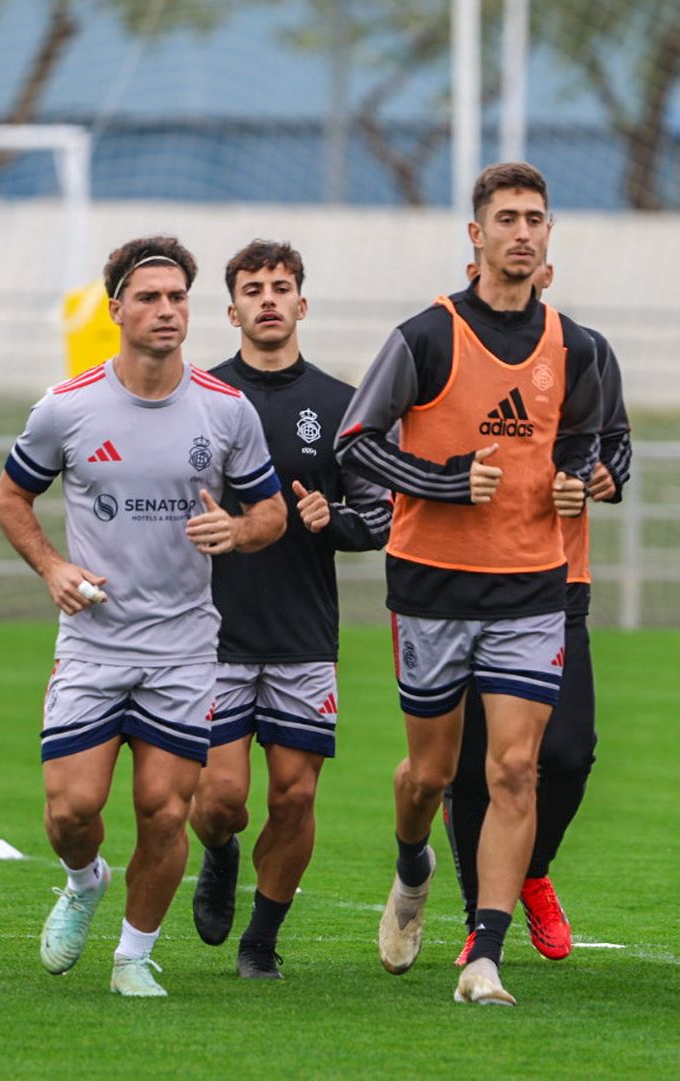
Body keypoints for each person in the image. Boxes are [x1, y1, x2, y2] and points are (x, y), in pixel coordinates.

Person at [335, 162, 602, 1006]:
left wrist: (579, 481)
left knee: (517, 770)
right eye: (507, 218)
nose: (523, 232)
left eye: (536, 218)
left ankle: (484, 952)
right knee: (430, 773)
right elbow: (355, 443)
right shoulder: (427, 337)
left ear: (549, 235)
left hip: (531, 587)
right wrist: (445, 480)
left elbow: (591, 451)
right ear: (476, 234)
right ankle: (412, 863)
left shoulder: (576, 346)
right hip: (433, 589)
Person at [0, 236, 286, 997]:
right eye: (149, 297)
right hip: (93, 643)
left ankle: (132, 956)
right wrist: (53, 566)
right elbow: (8, 498)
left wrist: (240, 531)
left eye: (177, 297)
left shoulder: (226, 411)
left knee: (164, 809)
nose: (166, 310)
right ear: (116, 307)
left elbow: (272, 512)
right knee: (71, 808)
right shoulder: (68, 406)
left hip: (185, 649)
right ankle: (85, 879)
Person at [187, 240, 391, 979]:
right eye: (253, 288)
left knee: (297, 794)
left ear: (302, 304)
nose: (267, 298)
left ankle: (261, 940)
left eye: (281, 287)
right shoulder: (198, 393)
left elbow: (377, 521)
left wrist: (326, 518)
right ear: (232, 307)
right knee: (220, 799)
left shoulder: (342, 406)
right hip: (210, 633)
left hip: (304, 633)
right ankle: (217, 852)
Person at [443, 259, 633, 965]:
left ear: (548, 267)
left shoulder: (585, 350)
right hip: (466, 583)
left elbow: (616, 449)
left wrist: (605, 477)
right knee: (472, 769)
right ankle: (476, 918)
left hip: (558, 583)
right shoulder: (450, 345)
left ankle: (530, 868)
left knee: (567, 753)